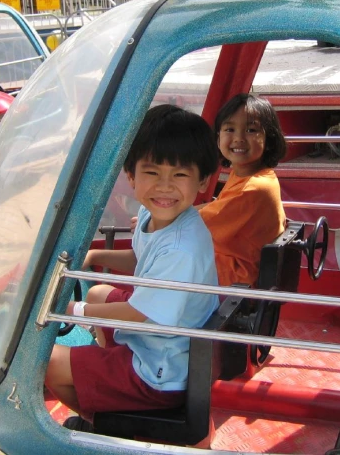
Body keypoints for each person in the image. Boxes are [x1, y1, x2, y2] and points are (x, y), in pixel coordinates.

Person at [45, 104, 220, 430]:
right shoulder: (154, 218)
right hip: (158, 338)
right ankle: (105, 380)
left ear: (202, 182)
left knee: (46, 362)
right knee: (98, 291)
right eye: (152, 172)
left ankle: (103, 425)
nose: (165, 187)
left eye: (180, 174)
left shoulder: (182, 249)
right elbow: (141, 259)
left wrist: (70, 309)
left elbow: (139, 314)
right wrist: (96, 257)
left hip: (162, 370)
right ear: (131, 176)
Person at [199, 94, 288, 287]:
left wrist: (160, 220)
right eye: (230, 129)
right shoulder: (250, 174)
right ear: (218, 137)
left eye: (251, 130)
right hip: (226, 265)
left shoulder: (253, 188)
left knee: (164, 257)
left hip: (234, 279)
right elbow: (213, 209)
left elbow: (195, 224)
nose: (238, 138)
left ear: (269, 139)